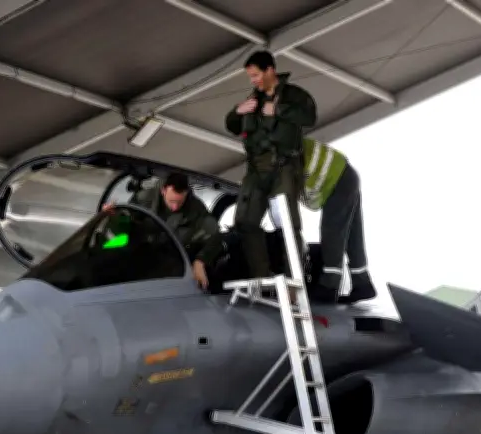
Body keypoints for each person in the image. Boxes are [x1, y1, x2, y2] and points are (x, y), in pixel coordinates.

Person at [225, 50, 317, 282]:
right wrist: (237, 111)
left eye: (256, 75)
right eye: (250, 76)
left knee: (287, 224)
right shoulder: (251, 100)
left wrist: (278, 110)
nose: (253, 80)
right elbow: (232, 125)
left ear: (270, 70)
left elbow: (310, 117)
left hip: (283, 167)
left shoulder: (293, 95)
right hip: (255, 169)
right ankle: (261, 277)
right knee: (245, 222)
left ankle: (295, 279)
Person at [102, 173, 222, 291]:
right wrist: (114, 218)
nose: (175, 207)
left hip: (172, 263)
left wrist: (200, 261)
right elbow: (127, 226)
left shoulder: (196, 209)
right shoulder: (143, 199)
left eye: (179, 202)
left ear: (186, 193)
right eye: (171, 201)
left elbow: (215, 236)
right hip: (141, 255)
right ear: (163, 190)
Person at [300, 137, 377, 304]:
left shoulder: (279, 147)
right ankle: (363, 283)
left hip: (336, 178)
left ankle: (329, 286)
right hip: (344, 174)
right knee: (352, 235)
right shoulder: (280, 140)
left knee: (333, 230)